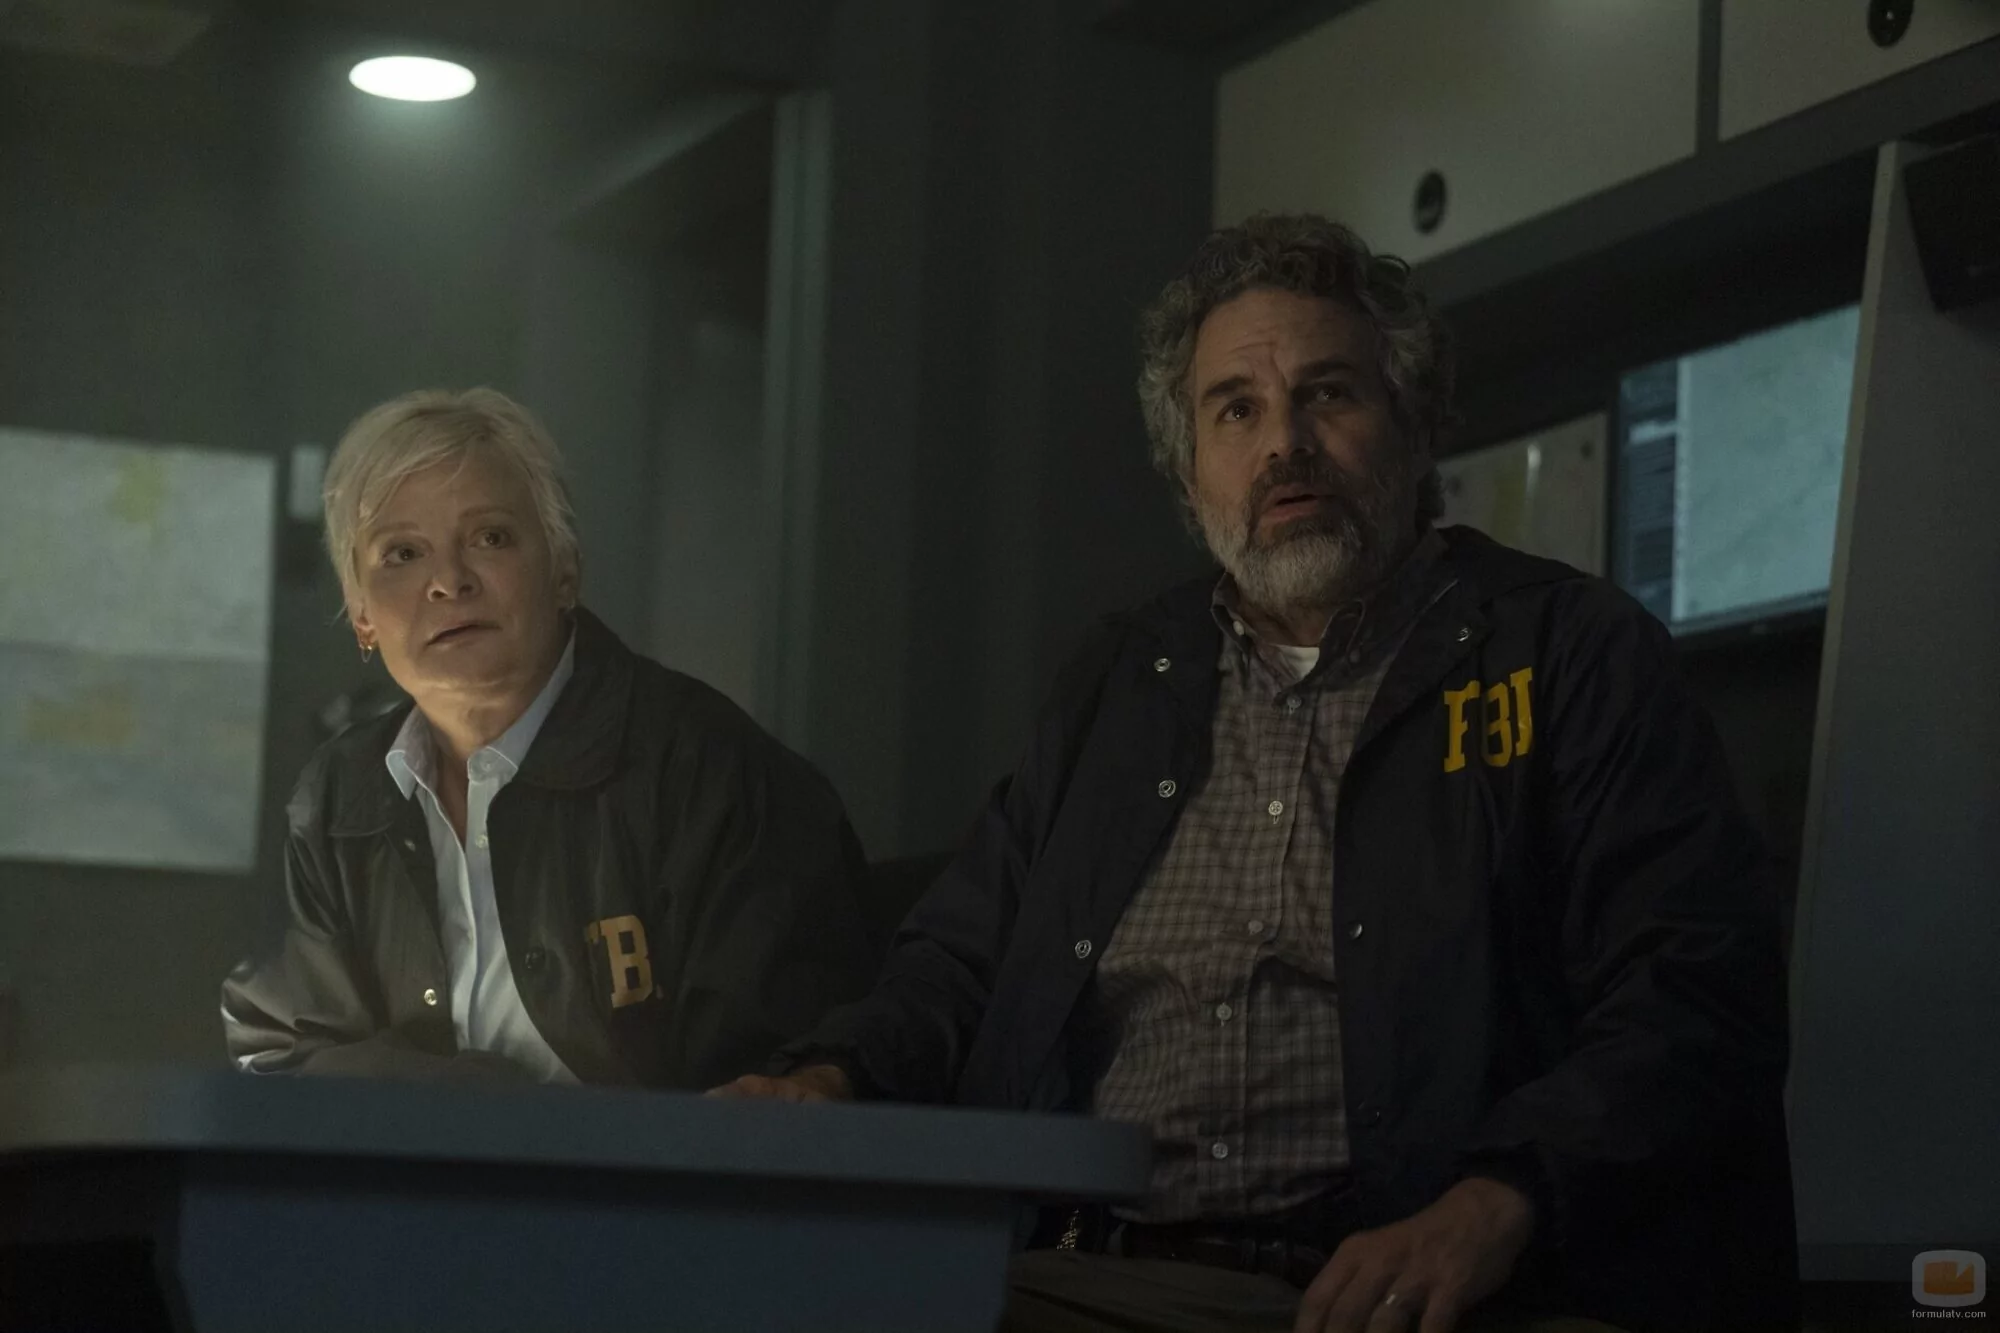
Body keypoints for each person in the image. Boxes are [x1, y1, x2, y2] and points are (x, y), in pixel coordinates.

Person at [714, 216, 1798, 1333]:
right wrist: (827, 1076)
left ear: (1414, 424)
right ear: (1190, 477)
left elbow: (1696, 991)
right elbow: (958, 961)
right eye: (1235, 409)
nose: (1285, 442)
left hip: (1421, 1291)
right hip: (1087, 1276)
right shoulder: (1123, 682)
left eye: (1328, 393)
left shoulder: (1569, 652)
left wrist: (1498, 1200)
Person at [222, 388, 876, 1090]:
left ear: (565, 570)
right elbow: (281, 1056)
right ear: (361, 617)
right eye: (402, 553)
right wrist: (460, 1102)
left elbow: (766, 1093)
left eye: (490, 537)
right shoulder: (336, 796)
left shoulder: (711, 769)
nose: (449, 581)